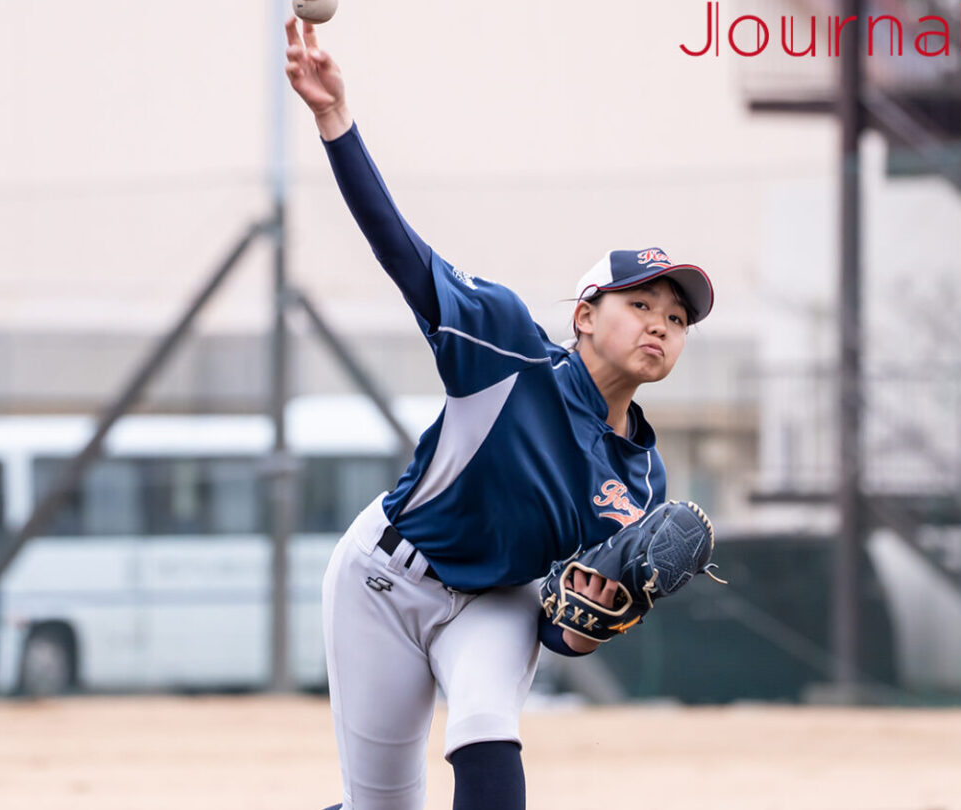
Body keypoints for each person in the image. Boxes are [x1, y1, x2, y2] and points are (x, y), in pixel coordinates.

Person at [284, 17, 715, 810]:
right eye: (640, 303)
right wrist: (335, 119)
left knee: (487, 723)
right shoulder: (507, 348)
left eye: (678, 318)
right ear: (584, 315)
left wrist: (595, 618)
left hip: (499, 600)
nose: (660, 324)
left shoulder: (641, 480)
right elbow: (401, 251)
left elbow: (562, 630)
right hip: (387, 576)